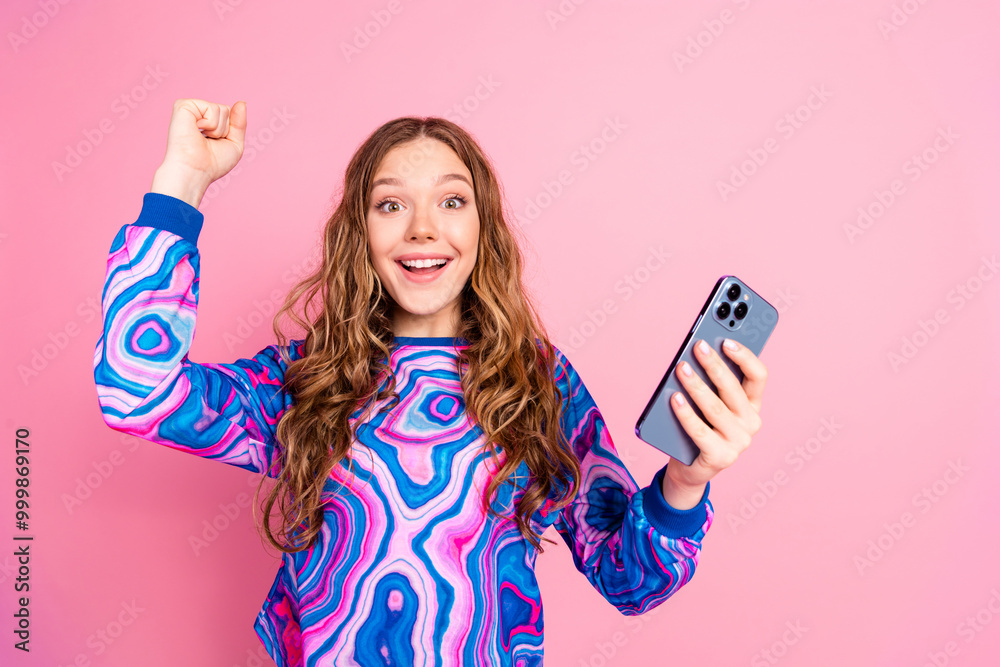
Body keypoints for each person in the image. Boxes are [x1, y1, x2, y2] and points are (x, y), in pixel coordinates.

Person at [93, 99, 769, 666]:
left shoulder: (536, 384)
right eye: (391, 205)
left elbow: (631, 580)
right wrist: (181, 181)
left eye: (451, 200)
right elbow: (134, 388)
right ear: (361, 230)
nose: (423, 228)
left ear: (483, 227)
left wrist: (687, 480)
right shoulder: (305, 383)